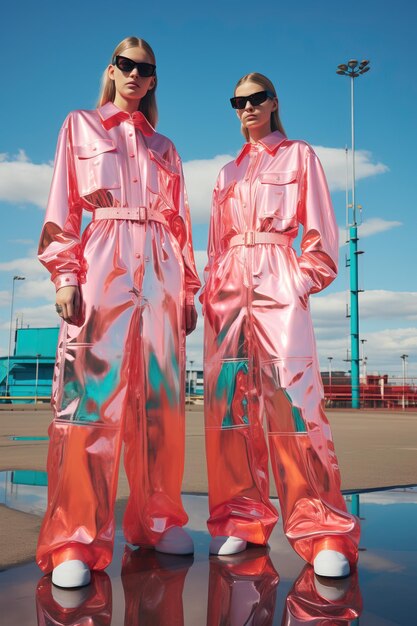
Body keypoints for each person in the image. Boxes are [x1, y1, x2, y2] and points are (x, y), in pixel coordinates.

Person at [36, 36, 200, 588]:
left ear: (153, 79)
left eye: (145, 68)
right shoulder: (80, 125)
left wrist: (188, 292)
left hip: (160, 272)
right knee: (89, 402)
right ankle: (75, 538)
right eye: (125, 64)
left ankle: (156, 520)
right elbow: (63, 205)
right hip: (103, 260)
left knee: (159, 402)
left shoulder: (167, 149)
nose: (134, 74)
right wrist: (65, 274)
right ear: (111, 70)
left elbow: (182, 227)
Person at [201, 73, 360, 577]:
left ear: (273, 102)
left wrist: (299, 281)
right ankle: (242, 518)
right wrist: (210, 291)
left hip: (277, 278)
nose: (247, 107)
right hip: (228, 289)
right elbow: (213, 243)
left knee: (293, 403)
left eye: (256, 98)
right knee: (231, 411)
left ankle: (322, 528)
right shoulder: (225, 173)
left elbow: (319, 227)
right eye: (237, 101)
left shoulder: (299, 155)